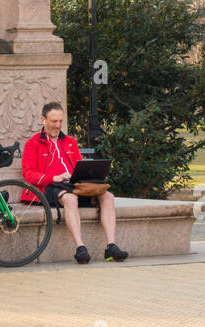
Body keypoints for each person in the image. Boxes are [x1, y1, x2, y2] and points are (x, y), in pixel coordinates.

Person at [21, 101, 128, 264]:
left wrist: (87, 174)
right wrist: (53, 178)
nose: (57, 125)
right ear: (43, 120)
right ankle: (80, 248)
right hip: (51, 186)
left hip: (75, 184)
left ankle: (111, 247)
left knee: (108, 197)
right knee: (71, 199)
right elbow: (28, 174)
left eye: (60, 121)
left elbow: (79, 165)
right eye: (53, 121)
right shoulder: (33, 143)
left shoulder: (70, 141)